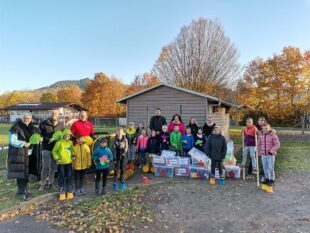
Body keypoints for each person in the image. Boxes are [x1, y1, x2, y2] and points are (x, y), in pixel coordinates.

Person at [7, 113, 37, 201]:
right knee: (21, 173)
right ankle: (21, 191)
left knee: (27, 172)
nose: (26, 119)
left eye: (28, 118)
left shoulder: (32, 127)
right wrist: (23, 143)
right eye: (25, 118)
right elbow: (12, 141)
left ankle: (25, 189)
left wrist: (40, 139)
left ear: (31, 119)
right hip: (19, 153)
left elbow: (36, 137)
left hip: (29, 153)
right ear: (21, 118)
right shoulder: (15, 127)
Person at [39, 109, 64, 191]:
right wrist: (48, 139)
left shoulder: (61, 125)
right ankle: (43, 184)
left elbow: (63, 136)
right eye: (52, 113)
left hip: (56, 149)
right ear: (50, 114)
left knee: (53, 167)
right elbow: (40, 135)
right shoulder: (43, 123)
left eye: (55, 113)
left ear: (58, 114)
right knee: (45, 167)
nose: (54, 114)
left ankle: (51, 183)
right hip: (46, 148)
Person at [52, 129, 75, 201]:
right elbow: (54, 151)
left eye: (69, 136)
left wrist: (73, 155)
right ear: (63, 135)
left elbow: (72, 150)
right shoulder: (59, 142)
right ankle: (61, 190)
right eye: (66, 136)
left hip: (69, 162)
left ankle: (69, 189)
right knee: (61, 176)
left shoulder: (70, 143)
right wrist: (57, 158)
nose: (67, 137)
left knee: (69, 176)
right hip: (61, 163)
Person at [258, 124, 280, 192]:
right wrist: (259, 152)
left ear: (269, 128)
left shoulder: (273, 135)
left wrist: (272, 151)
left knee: (270, 167)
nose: (264, 130)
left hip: (270, 154)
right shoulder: (261, 135)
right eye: (263, 129)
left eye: (266, 128)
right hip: (263, 154)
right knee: (265, 167)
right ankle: (267, 178)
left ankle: (272, 179)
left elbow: (277, 144)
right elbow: (259, 145)